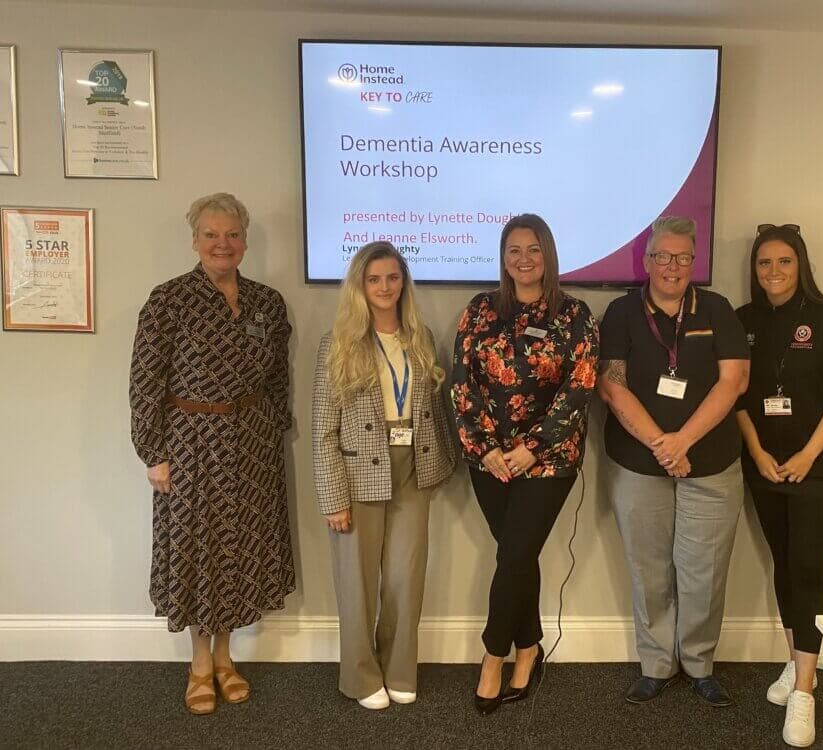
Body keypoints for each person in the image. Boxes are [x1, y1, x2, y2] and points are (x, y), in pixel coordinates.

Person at [129, 192, 295, 715]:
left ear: (244, 241)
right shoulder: (167, 300)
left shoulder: (267, 302)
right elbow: (144, 380)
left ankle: (227, 656)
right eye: (211, 234)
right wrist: (152, 451)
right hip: (190, 443)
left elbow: (277, 378)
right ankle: (200, 663)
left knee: (238, 551)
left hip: (252, 443)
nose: (222, 244)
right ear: (195, 240)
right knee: (198, 550)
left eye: (232, 234)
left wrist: (276, 431)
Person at [597, 215, 750, 707]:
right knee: (650, 569)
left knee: (705, 570)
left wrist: (681, 441)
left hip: (710, 465)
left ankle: (700, 663)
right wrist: (663, 445)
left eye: (683, 257)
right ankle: (656, 662)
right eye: (663, 256)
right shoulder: (621, 313)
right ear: (646, 261)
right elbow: (611, 386)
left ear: (694, 262)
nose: (672, 266)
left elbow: (735, 382)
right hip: (638, 466)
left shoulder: (719, 309)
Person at [450, 214, 599, 715]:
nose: (524, 259)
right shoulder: (479, 310)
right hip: (488, 459)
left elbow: (579, 389)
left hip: (549, 460)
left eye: (533, 249)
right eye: (514, 249)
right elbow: (462, 381)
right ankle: (530, 645)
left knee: (513, 555)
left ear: (548, 254)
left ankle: (493, 654)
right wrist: (488, 448)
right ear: (503, 256)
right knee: (518, 554)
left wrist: (531, 447)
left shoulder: (575, 314)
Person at [735, 223, 823, 747]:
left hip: (820, 470)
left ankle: (805, 691)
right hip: (765, 467)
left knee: (809, 571)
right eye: (764, 263)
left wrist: (808, 455)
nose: (774, 272)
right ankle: (798, 661)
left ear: (801, 264)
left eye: (784, 262)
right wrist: (759, 453)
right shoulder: (741, 321)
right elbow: (736, 395)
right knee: (785, 567)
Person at [312, 241, 455, 710]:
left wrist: (441, 463)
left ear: (403, 282)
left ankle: (399, 668)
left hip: (413, 468)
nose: (385, 287)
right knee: (356, 582)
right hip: (357, 473)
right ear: (360, 285)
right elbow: (323, 430)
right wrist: (333, 497)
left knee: (404, 577)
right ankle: (359, 676)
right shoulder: (338, 343)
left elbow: (435, 408)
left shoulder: (421, 337)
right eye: (374, 279)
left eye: (393, 277)